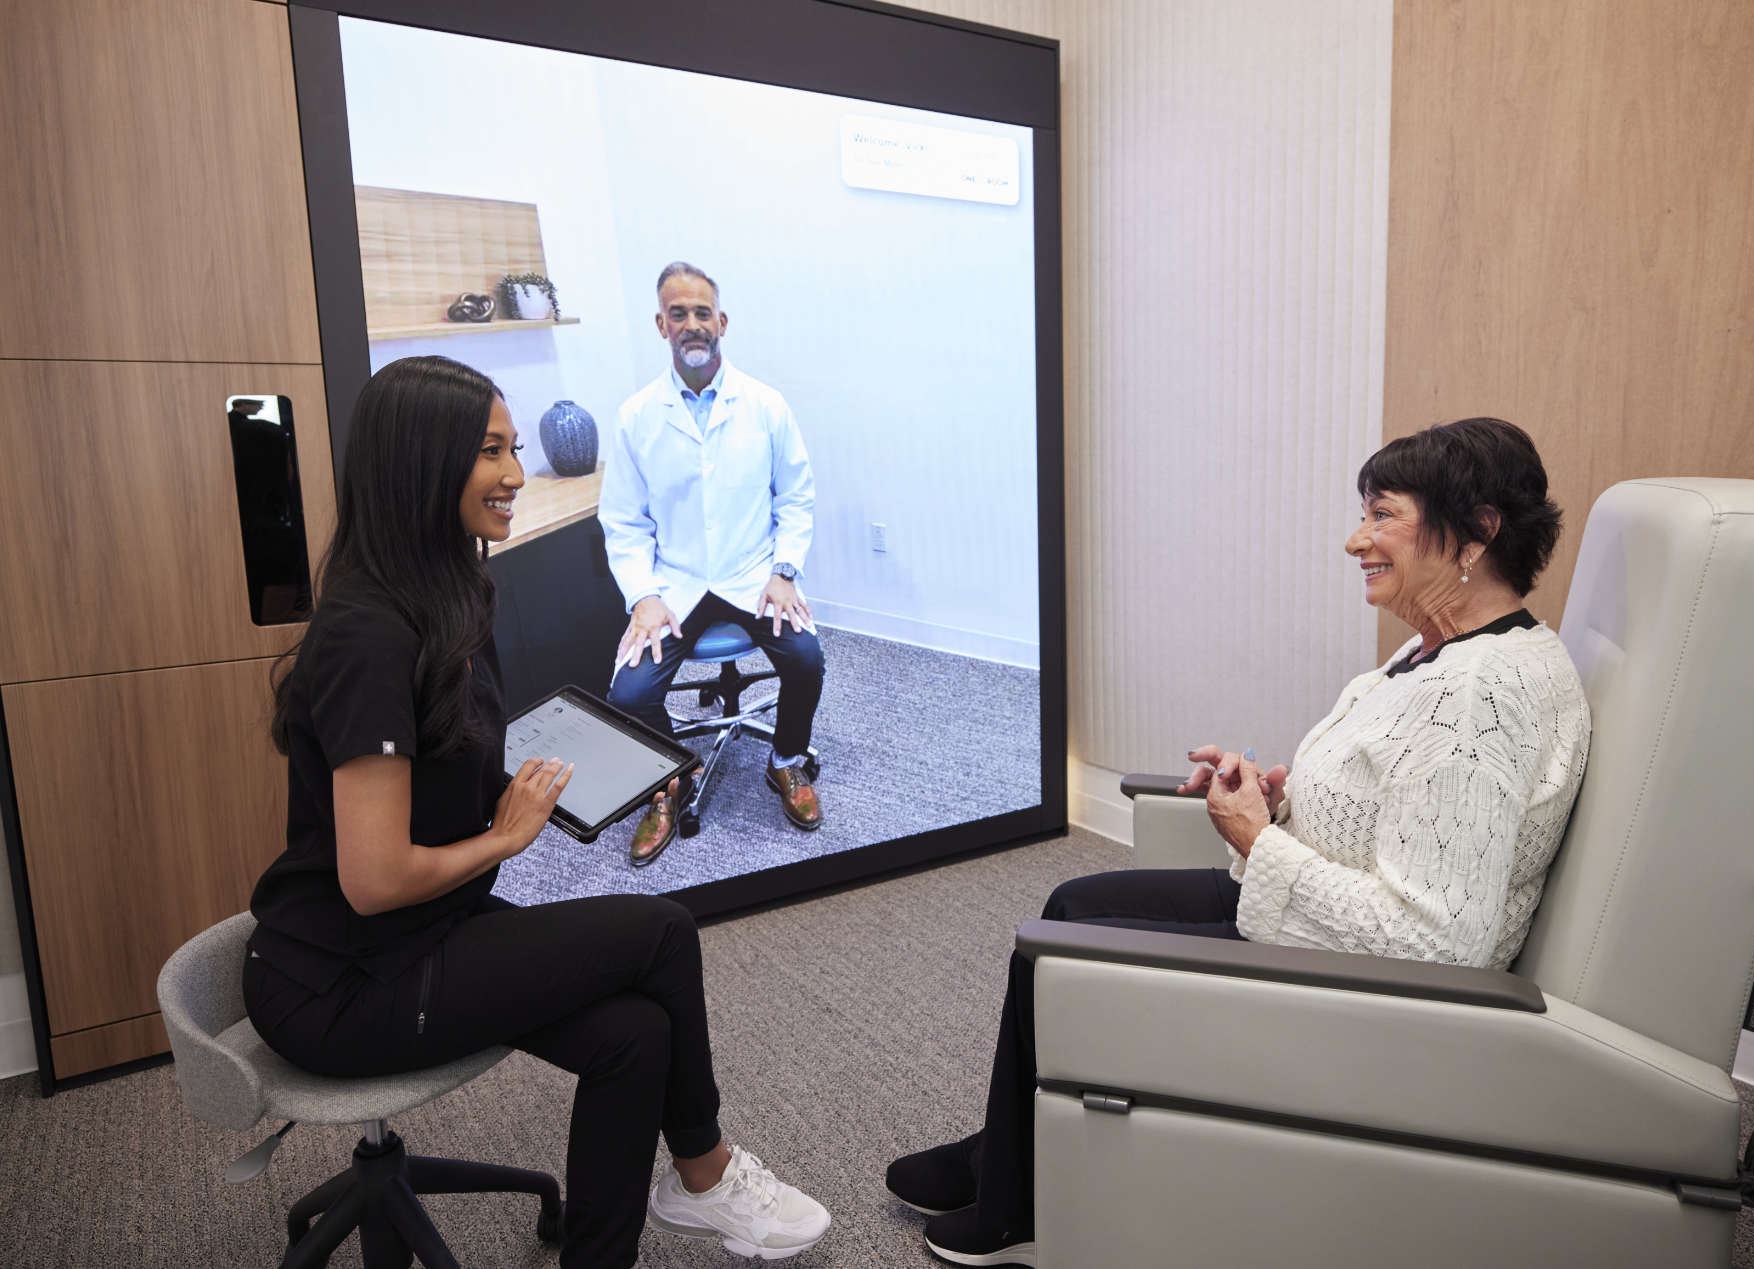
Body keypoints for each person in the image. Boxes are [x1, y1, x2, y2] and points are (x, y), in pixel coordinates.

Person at [885, 417, 1593, 1267]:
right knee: (1072, 906)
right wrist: (1280, 800)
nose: (1353, 539)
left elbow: (1437, 943)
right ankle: (1006, 1154)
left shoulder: (1478, 700)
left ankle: (1016, 1203)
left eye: (1381, 515)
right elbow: (1397, 809)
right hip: (1323, 916)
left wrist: (1262, 844)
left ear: (1477, 530)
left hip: (1371, 996)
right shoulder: (1439, 650)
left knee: (1067, 949)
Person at [244, 355, 831, 1269]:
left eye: (515, 448)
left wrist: (564, 778)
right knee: (665, 932)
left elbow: (449, 766)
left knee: (635, 1036)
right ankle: (705, 1173)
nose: (517, 473)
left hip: (429, 931)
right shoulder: (367, 633)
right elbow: (371, 880)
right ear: (421, 463)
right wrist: (505, 835)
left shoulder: (447, 597)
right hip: (345, 980)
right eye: (490, 451)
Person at [601, 261, 826, 862]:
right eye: (679, 314)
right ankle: (670, 779)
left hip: (755, 576)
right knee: (628, 695)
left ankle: (785, 760)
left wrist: (784, 571)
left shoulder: (766, 405)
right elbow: (623, 523)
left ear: (721, 321)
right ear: (661, 325)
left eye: (703, 313)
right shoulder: (636, 417)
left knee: (807, 659)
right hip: (673, 584)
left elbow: (797, 497)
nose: (692, 325)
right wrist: (642, 596)